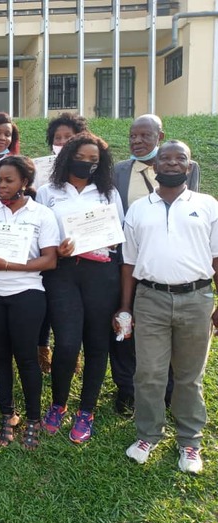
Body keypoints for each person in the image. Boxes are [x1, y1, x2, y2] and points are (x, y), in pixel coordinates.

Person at [119, 140, 216, 474]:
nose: (172, 163)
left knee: (189, 376)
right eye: (166, 158)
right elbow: (128, 263)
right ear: (156, 165)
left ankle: (190, 441)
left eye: (180, 158)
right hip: (150, 299)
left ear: (189, 166)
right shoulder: (138, 209)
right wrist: (125, 307)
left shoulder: (207, 205)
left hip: (197, 299)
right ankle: (148, 435)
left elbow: (217, 257)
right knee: (149, 373)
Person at [0, 156, 59, 449]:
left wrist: (10, 266)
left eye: (9, 180)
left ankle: (33, 418)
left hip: (27, 293)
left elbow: (50, 260)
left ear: (25, 183)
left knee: (27, 358)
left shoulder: (42, 214)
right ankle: (8, 414)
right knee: (0, 356)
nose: (2, 185)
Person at [110, 114, 201, 414]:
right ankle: (126, 388)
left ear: (159, 137)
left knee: (169, 334)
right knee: (125, 324)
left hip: (168, 265)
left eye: (145, 136)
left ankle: (169, 391)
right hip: (128, 260)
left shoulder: (186, 167)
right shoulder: (119, 171)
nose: (136, 141)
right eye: (132, 136)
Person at [36, 132, 123, 444]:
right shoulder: (48, 192)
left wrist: (108, 238)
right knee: (67, 343)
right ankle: (58, 404)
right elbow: (39, 235)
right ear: (67, 157)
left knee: (97, 343)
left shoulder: (108, 192)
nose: (86, 163)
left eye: (93, 160)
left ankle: (86, 410)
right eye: (80, 157)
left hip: (102, 274)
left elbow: (118, 235)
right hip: (63, 273)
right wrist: (55, 249)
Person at [33, 113, 89, 372]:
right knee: (45, 302)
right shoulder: (41, 169)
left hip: (84, 255)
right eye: (58, 138)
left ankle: (70, 351)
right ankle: (42, 347)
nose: (63, 142)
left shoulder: (90, 171)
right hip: (48, 250)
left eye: (69, 137)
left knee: (71, 310)